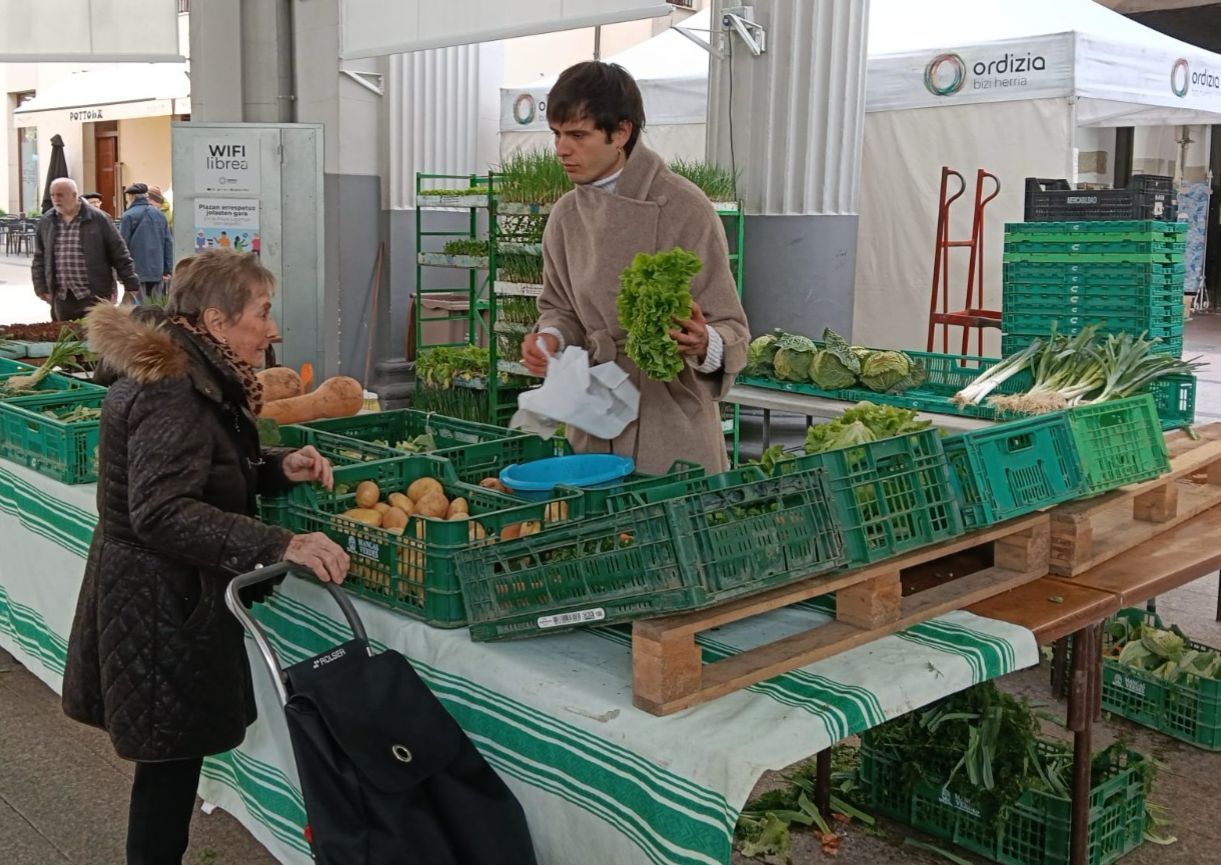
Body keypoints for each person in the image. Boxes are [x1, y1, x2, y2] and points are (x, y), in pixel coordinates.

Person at [61, 248, 351, 865]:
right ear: (217, 322)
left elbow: (199, 473)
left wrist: (275, 468)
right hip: (162, 602)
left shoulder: (192, 372)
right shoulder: (175, 391)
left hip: (157, 593)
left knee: (168, 766)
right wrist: (282, 543)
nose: (273, 330)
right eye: (263, 313)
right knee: (167, 772)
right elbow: (162, 511)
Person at [520, 61, 749, 474]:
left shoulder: (685, 207)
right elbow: (560, 308)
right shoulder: (565, 215)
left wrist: (703, 342)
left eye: (577, 135)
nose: (561, 149)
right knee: (597, 535)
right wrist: (550, 337)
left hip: (670, 421)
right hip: (595, 413)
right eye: (556, 134)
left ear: (621, 132)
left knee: (669, 530)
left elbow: (733, 327)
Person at [32, 177, 141, 321]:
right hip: (61, 296)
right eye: (52, 195)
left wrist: (130, 282)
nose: (55, 199)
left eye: (60, 195)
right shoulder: (47, 220)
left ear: (74, 195)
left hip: (94, 294)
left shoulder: (98, 218)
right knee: (65, 339)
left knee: (96, 337)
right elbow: (40, 256)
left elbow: (118, 252)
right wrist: (40, 286)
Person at [119, 182, 173, 302]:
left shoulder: (128, 216)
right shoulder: (160, 215)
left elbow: (122, 246)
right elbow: (168, 243)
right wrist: (167, 269)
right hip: (157, 270)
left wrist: (121, 273)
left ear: (131, 197)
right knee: (156, 305)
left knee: (138, 309)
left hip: (136, 271)